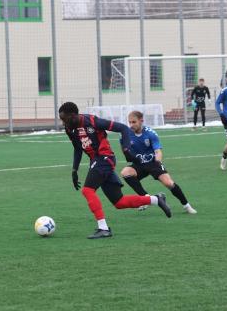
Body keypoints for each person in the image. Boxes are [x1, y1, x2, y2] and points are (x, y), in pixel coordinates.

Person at [59, 102, 172, 239]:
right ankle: (156, 199)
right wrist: (74, 170)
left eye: (65, 119)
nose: (63, 122)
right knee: (119, 202)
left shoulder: (93, 121)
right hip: (97, 161)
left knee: (87, 190)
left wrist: (126, 149)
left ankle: (103, 228)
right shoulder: (69, 128)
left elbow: (123, 128)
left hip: (104, 158)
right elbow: (78, 148)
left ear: (73, 115)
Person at [120, 111, 197, 214]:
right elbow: (126, 153)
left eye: (134, 122)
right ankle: (146, 198)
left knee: (169, 183)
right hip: (138, 164)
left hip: (153, 163)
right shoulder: (126, 135)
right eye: (130, 122)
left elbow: (158, 151)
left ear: (141, 121)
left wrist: (158, 162)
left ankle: (187, 206)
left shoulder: (150, 133)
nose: (131, 125)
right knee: (125, 172)